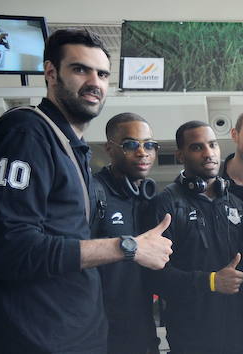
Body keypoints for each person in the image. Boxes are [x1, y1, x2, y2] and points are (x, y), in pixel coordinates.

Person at [0, 28, 172, 353]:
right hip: (36, 341)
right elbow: (10, 249)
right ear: (51, 73)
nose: (95, 81)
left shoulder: (70, 147)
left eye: (102, 73)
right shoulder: (25, 134)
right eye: (80, 69)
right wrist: (129, 247)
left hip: (79, 337)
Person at [148, 121, 243, 354]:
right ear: (180, 155)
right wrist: (211, 281)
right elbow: (155, 276)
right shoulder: (166, 205)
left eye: (212, 145)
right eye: (197, 147)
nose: (208, 153)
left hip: (240, 335)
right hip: (192, 338)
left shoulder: (234, 203)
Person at [89, 112, 162, 354]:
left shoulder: (147, 199)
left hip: (142, 331)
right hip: (100, 334)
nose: (143, 152)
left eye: (149, 145)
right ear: (110, 148)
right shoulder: (93, 193)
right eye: (131, 145)